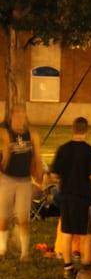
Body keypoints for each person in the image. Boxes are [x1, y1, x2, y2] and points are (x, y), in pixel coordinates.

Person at [51, 117, 91, 279]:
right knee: (86, 233)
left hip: (66, 196)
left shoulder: (63, 149)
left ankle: (68, 267)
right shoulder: (89, 151)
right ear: (86, 130)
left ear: (72, 129)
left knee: (67, 232)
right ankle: (86, 266)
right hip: (83, 197)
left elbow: (54, 174)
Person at [0, 104, 43, 260]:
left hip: (24, 180)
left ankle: (24, 252)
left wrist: (39, 175)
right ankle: (2, 249)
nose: (20, 118)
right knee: (3, 217)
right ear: (11, 117)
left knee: (23, 218)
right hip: (6, 179)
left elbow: (37, 157)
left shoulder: (32, 134)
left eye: (22, 115)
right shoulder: (4, 132)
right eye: (17, 115)